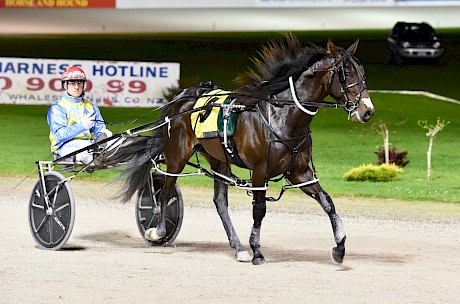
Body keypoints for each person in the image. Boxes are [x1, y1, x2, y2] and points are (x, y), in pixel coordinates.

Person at [47, 66, 112, 164]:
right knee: (83, 152)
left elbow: (100, 130)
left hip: (89, 145)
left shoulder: (91, 107)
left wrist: (104, 134)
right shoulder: (58, 107)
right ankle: (96, 157)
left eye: (80, 83)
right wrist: (82, 126)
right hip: (64, 146)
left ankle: (98, 155)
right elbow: (60, 135)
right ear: (65, 85)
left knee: (114, 142)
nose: (77, 87)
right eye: (72, 83)